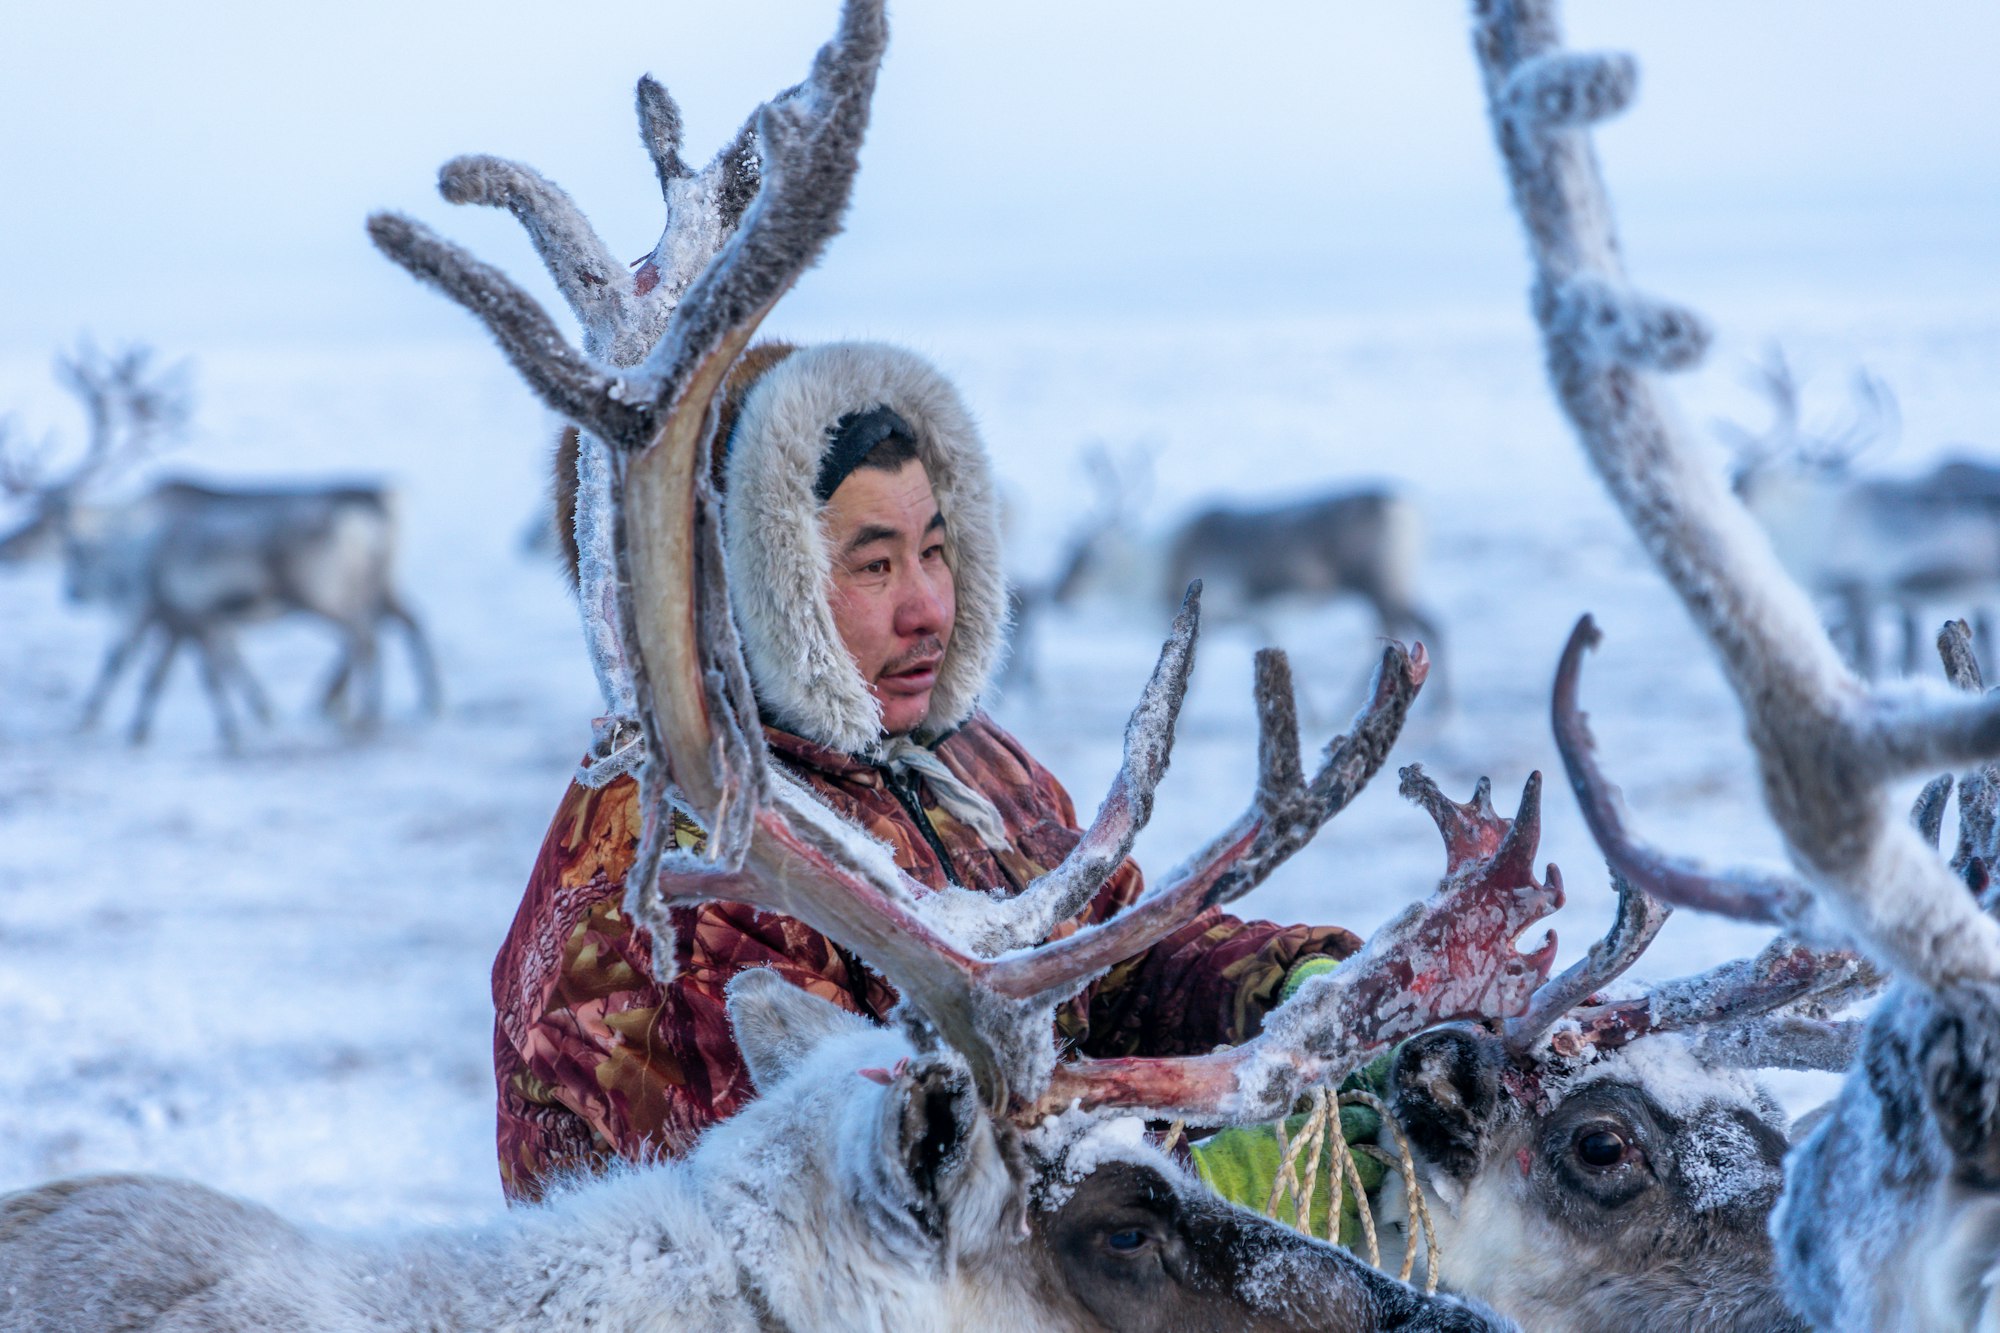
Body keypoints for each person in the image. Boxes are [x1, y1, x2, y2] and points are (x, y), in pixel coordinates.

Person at [492, 341, 1361, 1201]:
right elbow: (886, 1196)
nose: (929, 609)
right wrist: (1196, 1187)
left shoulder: (970, 767)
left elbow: (1119, 961)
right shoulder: (662, 877)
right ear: (742, 595)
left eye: (935, 551)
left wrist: (1304, 994)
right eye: (875, 565)